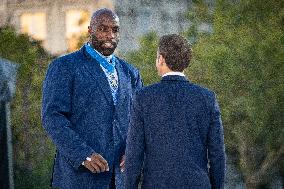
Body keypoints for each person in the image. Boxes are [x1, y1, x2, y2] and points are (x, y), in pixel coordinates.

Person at [42, 8, 142, 189]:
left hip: (120, 180)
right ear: (90, 31)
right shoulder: (64, 67)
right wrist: (83, 155)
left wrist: (133, 150)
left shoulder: (130, 73)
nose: (110, 35)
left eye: (115, 30)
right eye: (103, 29)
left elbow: (139, 120)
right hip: (78, 179)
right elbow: (52, 117)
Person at [125, 34, 225, 189]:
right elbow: (217, 154)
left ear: (161, 59)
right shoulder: (207, 98)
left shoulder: (143, 98)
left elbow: (134, 154)